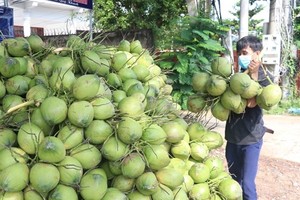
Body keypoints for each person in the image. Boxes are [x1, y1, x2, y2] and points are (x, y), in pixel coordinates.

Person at [225, 35, 273, 200]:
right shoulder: (234, 78)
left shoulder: (265, 80)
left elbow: (251, 103)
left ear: (257, 54)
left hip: (251, 139)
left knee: (247, 185)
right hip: (232, 138)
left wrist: (253, 74)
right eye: (239, 53)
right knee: (234, 181)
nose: (240, 56)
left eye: (245, 52)